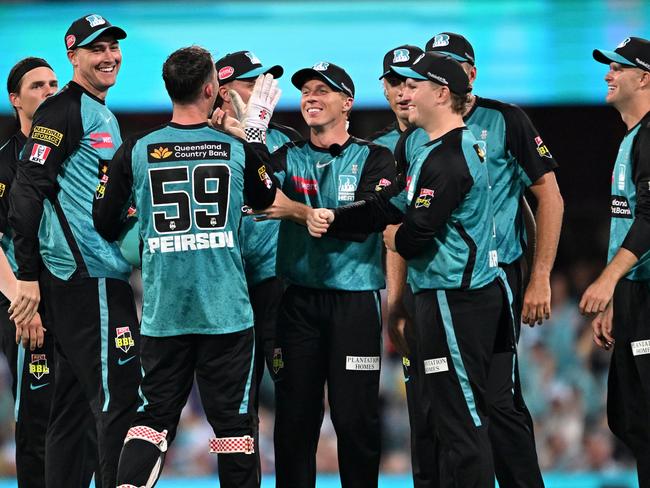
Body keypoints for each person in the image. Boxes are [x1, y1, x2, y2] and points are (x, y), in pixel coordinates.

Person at [308, 51, 512, 487]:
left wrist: (390, 236)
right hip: (456, 296)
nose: (404, 93)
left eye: (414, 85)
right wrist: (336, 217)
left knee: (462, 421)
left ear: (441, 94)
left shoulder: (448, 158)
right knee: (450, 417)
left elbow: (414, 233)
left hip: (454, 299)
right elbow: (391, 204)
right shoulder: (435, 149)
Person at [94, 45, 283, 488]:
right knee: (233, 430)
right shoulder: (234, 149)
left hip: (164, 313)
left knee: (152, 419)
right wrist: (250, 133)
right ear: (210, 88)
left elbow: (103, 220)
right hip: (227, 313)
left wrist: (145, 219)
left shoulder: (137, 149)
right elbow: (267, 198)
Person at [390, 32, 564, 487]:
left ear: (470, 73)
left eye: (450, 65)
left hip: (494, 278)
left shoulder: (507, 120)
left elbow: (549, 197)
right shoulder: (413, 137)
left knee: (496, 401)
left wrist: (540, 276)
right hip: (436, 283)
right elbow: (406, 216)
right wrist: (398, 301)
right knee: (438, 401)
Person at [8, 14, 140, 487]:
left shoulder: (98, 112)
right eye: (95, 49)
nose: (108, 57)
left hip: (90, 281)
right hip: (89, 282)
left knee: (71, 412)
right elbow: (27, 190)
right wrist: (26, 275)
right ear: (73, 56)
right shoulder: (65, 109)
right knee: (117, 401)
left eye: (112, 48)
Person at [265, 61, 396, 487]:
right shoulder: (287, 156)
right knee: (294, 421)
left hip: (354, 305)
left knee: (355, 419)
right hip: (298, 303)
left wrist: (308, 215)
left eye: (323, 90)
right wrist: (250, 134)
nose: (311, 98)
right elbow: (256, 192)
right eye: (305, 92)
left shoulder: (375, 157)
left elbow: (375, 213)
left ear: (347, 102)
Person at [580, 36, 650, 486]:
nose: (609, 74)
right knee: (630, 418)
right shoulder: (633, 138)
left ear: (644, 78)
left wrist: (606, 281)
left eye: (618, 68)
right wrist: (613, 297)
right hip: (633, 294)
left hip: (647, 297)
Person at [370, 44, 439, 488]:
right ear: (384, 87)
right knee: (422, 411)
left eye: (412, 82)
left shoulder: (447, 139)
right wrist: (395, 301)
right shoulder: (374, 150)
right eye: (395, 82)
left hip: (453, 289)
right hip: (403, 293)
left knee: (462, 407)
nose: (403, 91)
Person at [214, 50, 301, 398]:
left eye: (266, 81)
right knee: (235, 398)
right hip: (225, 284)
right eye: (252, 83)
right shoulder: (202, 140)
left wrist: (254, 136)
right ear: (224, 92)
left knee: (292, 395)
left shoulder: (285, 139)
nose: (264, 90)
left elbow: (278, 196)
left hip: (274, 281)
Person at [0, 56, 57, 488]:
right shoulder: (4, 163)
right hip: (25, 306)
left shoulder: (78, 149)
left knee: (87, 414)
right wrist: (24, 305)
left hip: (75, 298)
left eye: (54, 84)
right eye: (38, 86)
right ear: (16, 100)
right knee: (36, 419)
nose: (50, 91)